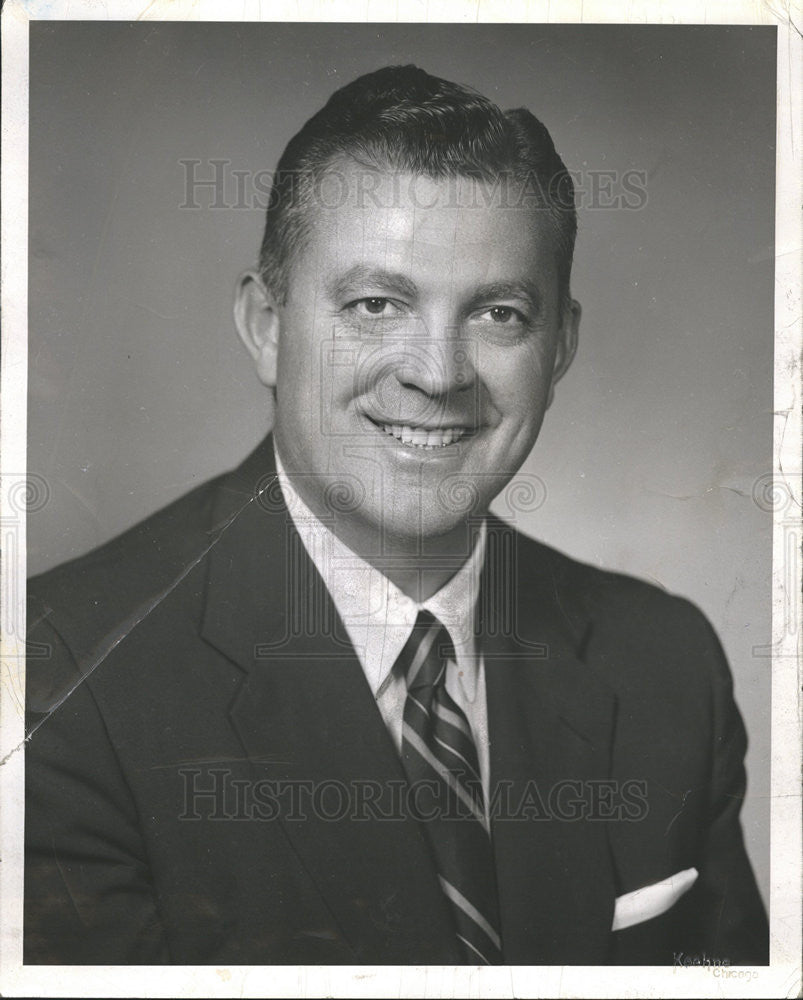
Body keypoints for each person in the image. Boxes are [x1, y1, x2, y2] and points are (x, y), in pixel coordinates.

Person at [24, 64, 768, 966]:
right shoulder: (59, 679)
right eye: (376, 305)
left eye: (499, 313)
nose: (438, 374)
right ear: (266, 324)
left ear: (560, 344)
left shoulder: (662, 663)